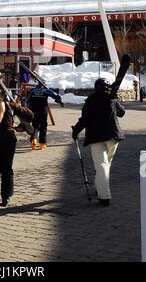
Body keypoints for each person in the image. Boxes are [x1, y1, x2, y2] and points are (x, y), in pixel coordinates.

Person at [71, 78, 125, 206]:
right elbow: (122, 113)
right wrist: (114, 99)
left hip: (96, 138)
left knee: (102, 166)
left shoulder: (90, 102)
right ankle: (100, 189)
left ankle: (104, 195)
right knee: (105, 165)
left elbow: (84, 120)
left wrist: (75, 131)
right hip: (112, 137)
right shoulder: (111, 98)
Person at [0, 89, 34, 206]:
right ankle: (6, 197)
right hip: (9, 141)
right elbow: (30, 116)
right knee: (7, 168)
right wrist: (18, 106)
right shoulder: (11, 106)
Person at [27, 84, 64, 150]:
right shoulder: (45, 90)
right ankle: (42, 144)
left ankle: (34, 141)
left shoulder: (33, 90)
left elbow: (28, 100)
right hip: (43, 111)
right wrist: (59, 101)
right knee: (43, 126)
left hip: (34, 110)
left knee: (35, 126)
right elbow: (55, 95)